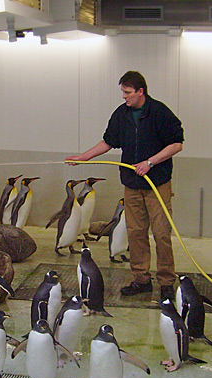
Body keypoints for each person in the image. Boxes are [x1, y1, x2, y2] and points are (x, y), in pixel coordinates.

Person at [66, 71, 184, 302]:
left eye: (128, 92)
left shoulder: (159, 112)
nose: (124, 97)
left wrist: (150, 162)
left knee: (161, 233)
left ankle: (166, 282)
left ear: (141, 91)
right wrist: (84, 157)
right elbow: (109, 141)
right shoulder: (121, 114)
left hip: (157, 183)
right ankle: (141, 279)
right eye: (123, 92)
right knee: (135, 232)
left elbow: (176, 144)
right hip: (131, 184)